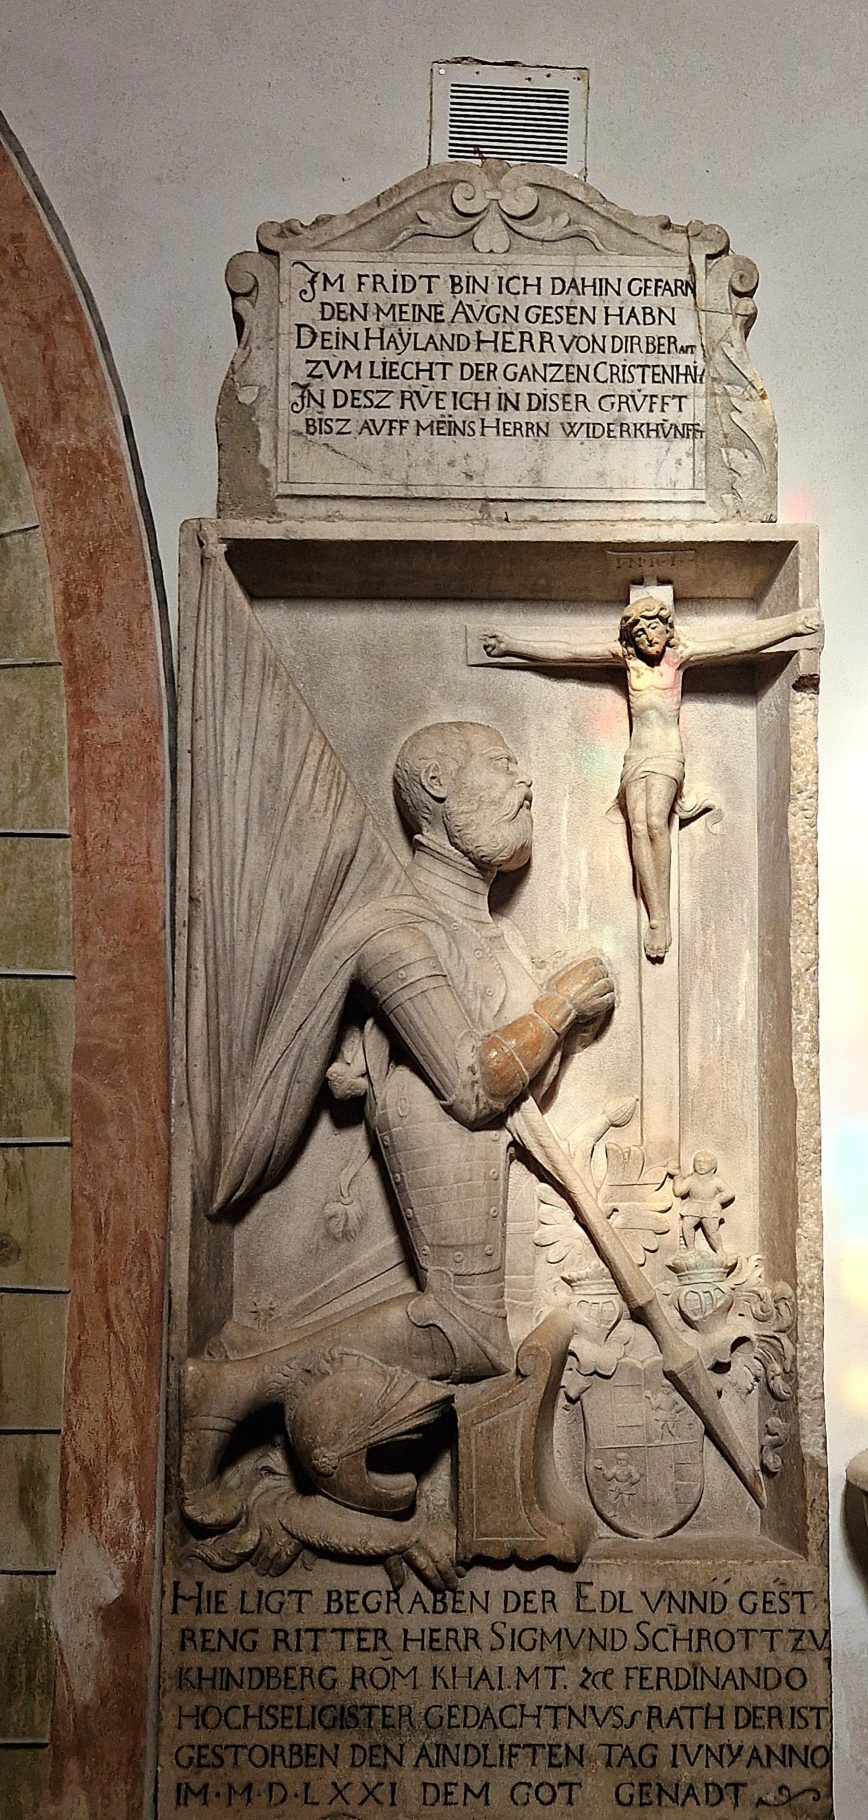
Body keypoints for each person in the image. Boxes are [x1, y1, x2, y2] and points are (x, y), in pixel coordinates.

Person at [179, 721, 614, 1574]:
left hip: (499, 1160)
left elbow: (522, 1077)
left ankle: (278, 1406)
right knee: (470, 1332)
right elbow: (471, 1082)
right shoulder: (396, 930)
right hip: (445, 1132)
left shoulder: (490, 931)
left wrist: (553, 1017)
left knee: (490, 1337)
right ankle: (230, 1390)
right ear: (438, 793)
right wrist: (559, 1005)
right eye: (501, 766)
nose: (524, 781)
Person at [483, 595, 821, 961]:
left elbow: (737, 640)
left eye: (654, 628)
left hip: (667, 755)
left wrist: (792, 625)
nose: (648, 638)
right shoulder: (628, 661)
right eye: (640, 632)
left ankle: (661, 918)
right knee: (639, 827)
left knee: (657, 823)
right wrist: (512, 645)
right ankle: (654, 912)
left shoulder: (680, 656)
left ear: (666, 627)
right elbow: (567, 649)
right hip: (636, 757)